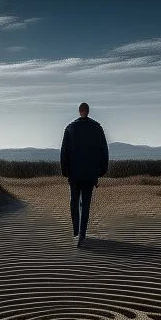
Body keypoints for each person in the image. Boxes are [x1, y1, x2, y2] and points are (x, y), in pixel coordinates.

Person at [60, 101, 109, 247]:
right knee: (85, 205)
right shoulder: (97, 128)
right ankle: (82, 234)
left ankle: (76, 230)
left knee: (74, 202)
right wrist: (101, 171)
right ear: (88, 111)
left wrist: (65, 171)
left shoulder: (70, 128)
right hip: (90, 175)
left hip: (74, 175)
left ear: (79, 111)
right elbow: (104, 150)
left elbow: (64, 151)